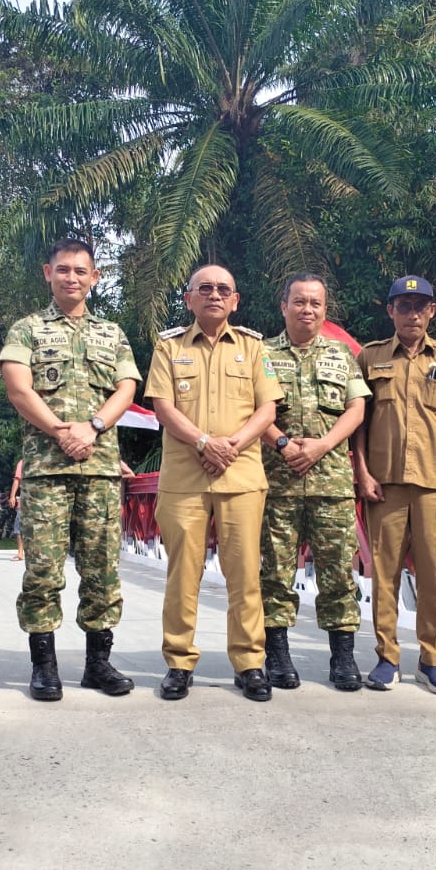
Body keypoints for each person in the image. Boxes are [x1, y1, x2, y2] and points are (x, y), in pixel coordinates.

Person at [0, 237, 142, 700]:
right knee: (43, 571)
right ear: (48, 273)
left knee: (102, 570)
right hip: (48, 469)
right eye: (63, 270)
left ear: (95, 277)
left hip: (100, 469)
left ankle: (98, 664)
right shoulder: (27, 330)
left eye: (81, 271)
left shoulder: (112, 333)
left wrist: (94, 426)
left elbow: (126, 388)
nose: (72, 278)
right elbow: (19, 390)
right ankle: (44, 666)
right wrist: (63, 432)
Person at [145, 264, 281, 701]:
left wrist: (233, 444)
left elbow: (268, 410)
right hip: (185, 477)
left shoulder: (254, 348)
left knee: (244, 575)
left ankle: (249, 663)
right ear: (189, 299)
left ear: (235, 300)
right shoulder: (168, 348)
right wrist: (205, 442)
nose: (215, 295)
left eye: (224, 288)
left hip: (240, 476)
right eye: (205, 288)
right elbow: (163, 406)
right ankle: (180, 662)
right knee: (183, 574)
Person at [352, 276, 436, 695]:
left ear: (432, 312)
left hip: (434, 484)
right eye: (403, 306)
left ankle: (432, 659)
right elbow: (360, 421)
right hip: (384, 484)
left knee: (431, 576)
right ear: (390, 311)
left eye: (420, 306)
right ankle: (387, 658)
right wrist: (362, 472)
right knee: (383, 573)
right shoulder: (371, 358)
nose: (412, 314)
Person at [259, 274, 370, 690]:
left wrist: (322, 446)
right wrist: (284, 444)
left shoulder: (342, 354)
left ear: (325, 309)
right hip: (278, 481)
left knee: (338, 574)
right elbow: (255, 407)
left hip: (331, 483)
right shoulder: (262, 353)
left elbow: (356, 409)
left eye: (316, 303)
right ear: (284, 306)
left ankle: (342, 659)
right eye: (300, 302)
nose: (308, 310)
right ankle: (278, 655)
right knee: (275, 573)